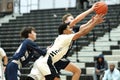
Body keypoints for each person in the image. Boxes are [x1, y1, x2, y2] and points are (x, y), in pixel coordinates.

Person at [28, 14, 104, 80]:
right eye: (69, 27)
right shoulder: (65, 37)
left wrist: (93, 21)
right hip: (47, 61)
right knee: (76, 71)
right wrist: (94, 21)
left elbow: (83, 29)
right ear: (65, 28)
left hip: (47, 61)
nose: (71, 29)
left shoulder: (64, 35)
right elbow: (83, 31)